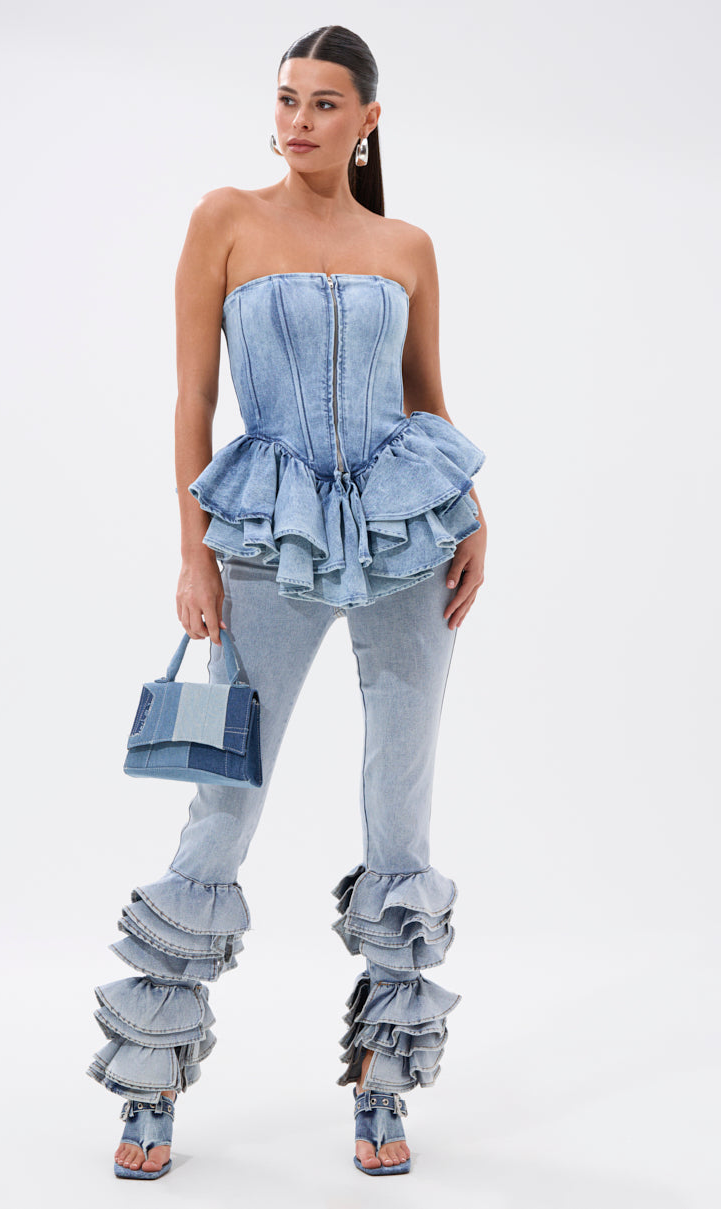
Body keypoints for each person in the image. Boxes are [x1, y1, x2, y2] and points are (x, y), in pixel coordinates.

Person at [87, 24, 487, 1181]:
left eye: (324, 103)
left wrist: (474, 516)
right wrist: (191, 548)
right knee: (225, 799)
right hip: (266, 534)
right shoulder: (224, 218)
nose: (299, 119)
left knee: (399, 801)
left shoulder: (404, 243)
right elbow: (191, 397)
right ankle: (151, 1074)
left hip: (412, 535)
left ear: (367, 120)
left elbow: (428, 399)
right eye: (285, 99)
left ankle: (384, 1079)